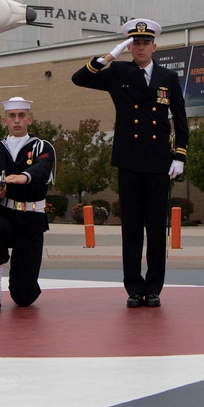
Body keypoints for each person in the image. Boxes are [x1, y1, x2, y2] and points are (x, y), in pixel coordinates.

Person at [71, 18, 188, 309]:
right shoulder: (118, 72)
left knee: (156, 229)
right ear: (129, 46)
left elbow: (181, 121)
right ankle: (134, 288)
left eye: (145, 42)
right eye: (135, 43)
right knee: (132, 228)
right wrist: (110, 56)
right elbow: (79, 79)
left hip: (159, 161)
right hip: (130, 159)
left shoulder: (168, 78)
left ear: (154, 46)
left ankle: (154, 288)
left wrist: (180, 156)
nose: (140, 47)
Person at [0, 96, 56, 313]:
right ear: (4, 121)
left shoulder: (42, 146)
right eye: (12, 116)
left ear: (29, 119)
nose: (17, 120)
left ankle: (25, 285)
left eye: (22, 115)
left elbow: (42, 169)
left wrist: (24, 177)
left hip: (31, 219)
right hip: (5, 213)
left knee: (24, 297)